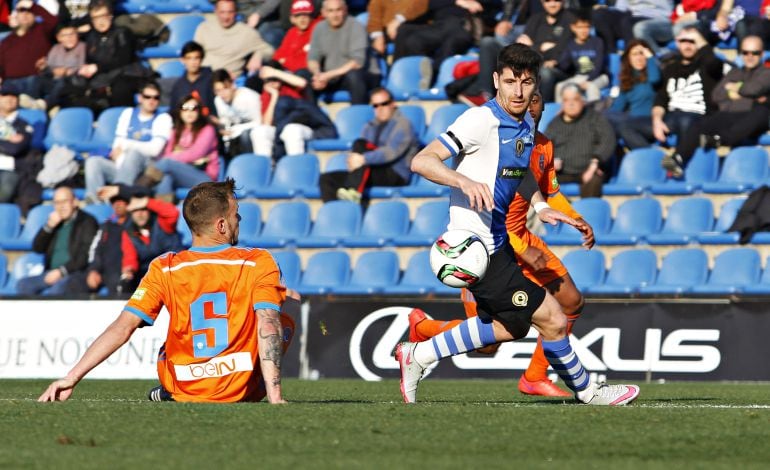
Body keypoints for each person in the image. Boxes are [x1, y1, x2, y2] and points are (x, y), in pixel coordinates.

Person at [395, 43, 640, 405]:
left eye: (526, 83)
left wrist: (541, 206)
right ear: (496, 80)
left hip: (499, 244)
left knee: (511, 327)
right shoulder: (480, 120)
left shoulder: (525, 125)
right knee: (554, 319)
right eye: (510, 82)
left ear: (536, 84)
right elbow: (422, 161)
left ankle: (418, 355)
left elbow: (519, 172)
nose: (518, 91)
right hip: (476, 248)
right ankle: (589, 391)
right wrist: (462, 181)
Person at [38, 178, 296, 403]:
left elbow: (122, 327)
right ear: (221, 225)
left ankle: (168, 391)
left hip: (185, 385)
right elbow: (268, 323)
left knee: (167, 345)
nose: (238, 219)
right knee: (282, 315)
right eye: (235, 214)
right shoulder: (256, 260)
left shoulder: (165, 266)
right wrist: (275, 397)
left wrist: (70, 378)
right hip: (241, 390)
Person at [409, 91, 596, 397]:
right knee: (493, 341)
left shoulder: (543, 145)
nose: (531, 107)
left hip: (523, 239)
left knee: (571, 302)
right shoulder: (495, 135)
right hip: (493, 246)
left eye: (538, 103)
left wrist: (574, 217)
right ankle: (426, 331)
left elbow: (548, 192)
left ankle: (536, 376)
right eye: (527, 100)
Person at [672, 35, 770, 168]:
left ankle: (720, 139)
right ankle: (677, 159)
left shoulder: (766, 73)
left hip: (753, 115)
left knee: (760, 113)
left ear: (762, 54)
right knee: (698, 125)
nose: (750, 56)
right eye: (745, 52)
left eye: (755, 53)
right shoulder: (734, 72)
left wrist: (734, 88)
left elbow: (754, 89)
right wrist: (741, 94)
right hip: (730, 114)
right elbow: (716, 95)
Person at [78, 184, 183, 296]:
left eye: (143, 209)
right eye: (135, 211)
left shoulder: (162, 223)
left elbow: (173, 213)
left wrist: (146, 202)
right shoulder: (129, 232)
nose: (140, 214)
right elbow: (130, 256)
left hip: (175, 271)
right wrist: (128, 270)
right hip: (152, 276)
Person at [319, 87, 419, 203]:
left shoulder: (403, 124)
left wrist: (363, 159)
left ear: (392, 104)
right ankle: (336, 214)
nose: (380, 109)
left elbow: (391, 152)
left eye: (384, 104)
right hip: (370, 170)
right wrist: (355, 160)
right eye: (375, 105)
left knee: (360, 144)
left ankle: (353, 191)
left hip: (395, 173)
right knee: (327, 179)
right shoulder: (369, 126)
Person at [84, 82, 173, 203]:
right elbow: (117, 145)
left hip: (147, 170)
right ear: (140, 98)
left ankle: (118, 198)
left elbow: (154, 150)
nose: (151, 101)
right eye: (147, 97)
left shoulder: (163, 118)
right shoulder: (128, 113)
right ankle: (95, 202)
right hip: (122, 166)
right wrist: (124, 152)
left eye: (156, 98)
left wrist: (127, 145)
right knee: (93, 162)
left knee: (134, 154)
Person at [656, 26, 723, 177]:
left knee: (686, 120)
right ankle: (650, 164)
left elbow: (713, 63)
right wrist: (656, 120)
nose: (687, 45)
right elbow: (660, 98)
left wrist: (698, 37)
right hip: (671, 117)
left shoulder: (708, 66)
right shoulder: (670, 68)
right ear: (677, 43)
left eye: (692, 41)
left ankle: (678, 160)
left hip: (698, 116)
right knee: (622, 123)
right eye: (683, 41)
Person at [16, 185, 99, 296]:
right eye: (57, 203)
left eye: (64, 202)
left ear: (75, 202)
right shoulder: (54, 223)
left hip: (76, 273)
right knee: (23, 285)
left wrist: (62, 271)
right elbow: (37, 248)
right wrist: (48, 227)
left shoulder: (87, 222)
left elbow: (85, 255)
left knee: (58, 289)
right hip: (51, 272)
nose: (61, 207)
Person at [545, 84, 616, 198]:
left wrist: (594, 164)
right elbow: (543, 148)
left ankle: (587, 215)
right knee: (539, 180)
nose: (571, 103)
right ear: (562, 103)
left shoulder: (595, 118)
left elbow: (608, 140)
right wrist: (550, 162)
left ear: (583, 101)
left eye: (575, 99)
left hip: (590, 171)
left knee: (593, 182)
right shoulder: (554, 124)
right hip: (562, 173)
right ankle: (564, 211)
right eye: (566, 100)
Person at [150, 94, 220, 201]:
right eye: (185, 108)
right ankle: (165, 213)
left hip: (204, 177)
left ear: (199, 111)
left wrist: (179, 154)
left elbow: (196, 153)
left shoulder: (207, 130)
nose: (189, 112)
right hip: (181, 173)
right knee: (166, 178)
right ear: (180, 111)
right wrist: (184, 156)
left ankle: (140, 188)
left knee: (167, 163)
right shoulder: (176, 131)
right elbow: (168, 153)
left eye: (193, 108)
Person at [307, 0, 377, 104]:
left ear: (345, 10)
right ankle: (312, 116)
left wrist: (327, 75)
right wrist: (318, 75)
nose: (335, 15)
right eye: (330, 11)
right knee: (303, 76)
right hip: (332, 76)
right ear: (323, 12)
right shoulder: (319, 28)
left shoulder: (356, 26)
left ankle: (358, 114)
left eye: (338, 10)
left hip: (365, 74)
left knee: (354, 76)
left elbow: (357, 62)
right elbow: (313, 58)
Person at [193, 0, 274, 79]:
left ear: (236, 12)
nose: (226, 17)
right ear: (216, 11)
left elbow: (269, 50)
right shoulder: (204, 28)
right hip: (205, 78)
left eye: (230, 12)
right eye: (222, 12)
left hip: (229, 82)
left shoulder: (246, 32)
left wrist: (258, 56)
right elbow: (194, 54)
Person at [605, 39, 661, 150]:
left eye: (642, 53)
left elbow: (655, 79)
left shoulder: (654, 73)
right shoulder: (627, 80)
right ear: (629, 58)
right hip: (632, 122)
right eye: (634, 54)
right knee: (604, 119)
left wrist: (650, 58)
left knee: (623, 127)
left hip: (651, 123)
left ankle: (653, 155)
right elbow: (617, 108)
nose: (639, 58)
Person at [515, 0, 576, 102]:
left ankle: (542, 109)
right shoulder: (535, 19)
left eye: (556, 0)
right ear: (542, 2)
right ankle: (487, 95)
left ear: (563, 1)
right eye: (548, 1)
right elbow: (522, 47)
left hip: (560, 69)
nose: (552, 4)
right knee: (489, 43)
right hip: (534, 64)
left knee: (545, 72)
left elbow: (563, 50)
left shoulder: (570, 20)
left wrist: (532, 47)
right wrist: (540, 47)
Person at [212, 68, 277, 158]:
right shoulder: (218, 100)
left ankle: (249, 162)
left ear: (232, 85)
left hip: (257, 129)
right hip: (236, 130)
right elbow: (225, 119)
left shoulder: (248, 97)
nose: (222, 94)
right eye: (218, 91)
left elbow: (259, 122)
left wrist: (238, 129)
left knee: (245, 135)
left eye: (225, 89)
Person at [0, 0, 57, 99]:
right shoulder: (7, 41)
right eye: (22, 12)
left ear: (35, 16)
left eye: (29, 12)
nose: (25, 15)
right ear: (16, 16)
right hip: (10, 82)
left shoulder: (41, 31)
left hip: (34, 79)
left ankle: (31, 104)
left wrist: (33, 6)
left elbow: (53, 21)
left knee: (33, 83)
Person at [554, 14, 609, 104]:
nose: (584, 31)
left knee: (591, 86)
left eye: (587, 27)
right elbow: (564, 65)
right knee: (560, 86)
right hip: (579, 77)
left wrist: (588, 80)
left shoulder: (597, 42)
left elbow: (598, 67)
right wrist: (556, 63)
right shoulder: (570, 45)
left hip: (599, 76)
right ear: (573, 28)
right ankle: (561, 113)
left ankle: (594, 115)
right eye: (580, 27)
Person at [0, 85, 33, 203]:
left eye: (13, 96)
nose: (9, 99)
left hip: (10, 170)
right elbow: (9, 145)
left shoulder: (23, 125)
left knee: (4, 191)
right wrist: (7, 139)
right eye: (5, 95)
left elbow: (15, 149)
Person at [168, 41, 216, 114]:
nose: (193, 62)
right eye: (189, 58)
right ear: (182, 60)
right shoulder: (178, 86)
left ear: (201, 59)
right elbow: (174, 111)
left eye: (196, 58)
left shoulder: (212, 80)